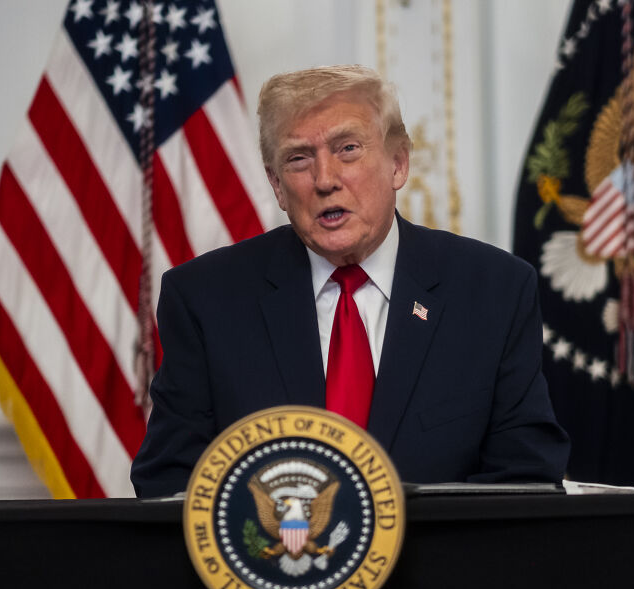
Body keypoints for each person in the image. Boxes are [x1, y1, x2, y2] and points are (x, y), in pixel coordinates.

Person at [132, 65, 569, 497]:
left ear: (398, 164)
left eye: (348, 149)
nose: (325, 180)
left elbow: (525, 477)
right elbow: (170, 484)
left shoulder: (494, 291)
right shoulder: (206, 300)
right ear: (278, 186)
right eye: (299, 158)